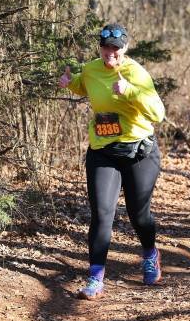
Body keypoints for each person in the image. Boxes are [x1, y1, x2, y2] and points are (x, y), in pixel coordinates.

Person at [59, 23, 165, 300]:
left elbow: (158, 113)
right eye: (106, 47)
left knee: (138, 215)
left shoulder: (136, 73)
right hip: (103, 151)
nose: (111, 53)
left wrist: (130, 91)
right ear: (100, 47)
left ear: (125, 48)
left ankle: (150, 254)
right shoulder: (92, 69)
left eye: (116, 48)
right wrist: (70, 82)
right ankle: (95, 278)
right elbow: (83, 84)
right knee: (102, 213)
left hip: (139, 152)